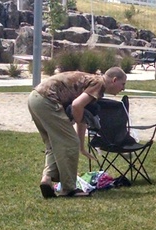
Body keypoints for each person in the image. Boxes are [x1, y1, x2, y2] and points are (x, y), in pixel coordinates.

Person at [28, 67, 127, 199]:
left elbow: (81, 118)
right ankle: (68, 189)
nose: (123, 89)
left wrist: (81, 146)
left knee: (54, 142)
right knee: (69, 143)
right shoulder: (99, 84)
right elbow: (76, 106)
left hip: (34, 98)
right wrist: (76, 141)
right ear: (114, 80)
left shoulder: (92, 82)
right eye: (123, 84)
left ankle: (47, 179)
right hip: (47, 100)